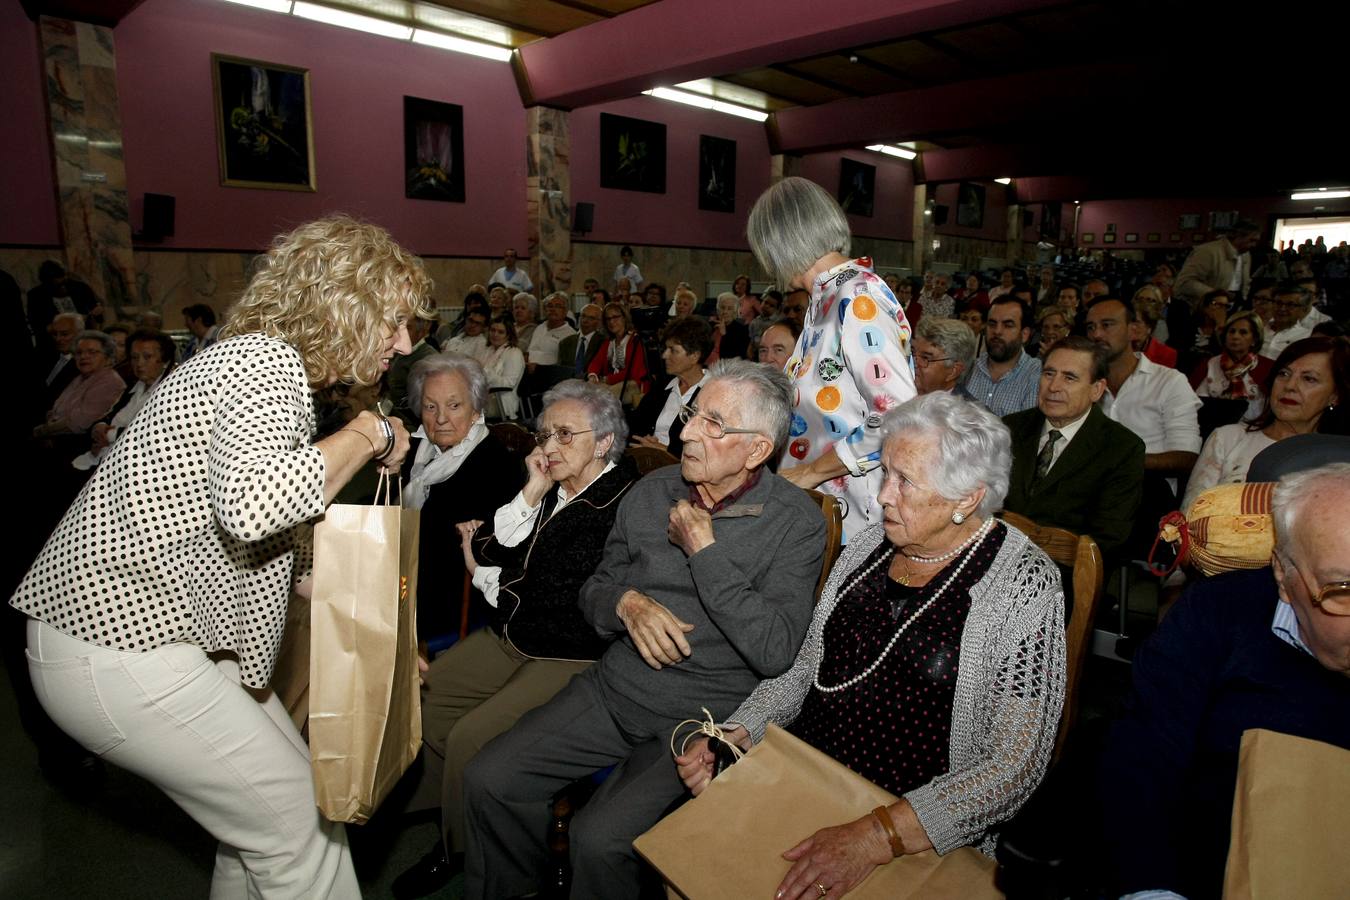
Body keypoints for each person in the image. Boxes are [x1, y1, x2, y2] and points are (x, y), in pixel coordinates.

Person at [11, 215, 428, 898]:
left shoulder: (247, 359)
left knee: (269, 829)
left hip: (134, 641)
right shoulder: (265, 363)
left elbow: (253, 537)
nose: (404, 343)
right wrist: (369, 429)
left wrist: (366, 625)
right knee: (301, 828)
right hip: (121, 644)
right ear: (344, 306)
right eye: (394, 323)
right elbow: (257, 503)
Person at [677, 392, 1066, 898]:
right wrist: (739, 733)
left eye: (905, 481)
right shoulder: (869, 546)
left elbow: (1012, 766)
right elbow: (804, 670)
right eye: (886, 473)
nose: (883, 495)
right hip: (804, 774)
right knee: (693, 864)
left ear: (967, 498)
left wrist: (876, 835)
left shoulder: (1024, 585)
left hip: (919, 824)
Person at [461, 360, 825, 900]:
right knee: (489, 777)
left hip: (697, 717)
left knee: (600, 839)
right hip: (614, 689)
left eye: (714, 424)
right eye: (695, 413)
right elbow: (595, 590)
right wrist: (626, 604)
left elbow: (774, 651)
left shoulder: (795, 522)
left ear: (756, 450)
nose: (689, 431)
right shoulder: (653, 490)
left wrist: (705, 552)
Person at [393, 382, 638, 900]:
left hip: (570, 652)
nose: (548, 447)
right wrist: (530, 489)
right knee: (427, 702)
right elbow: (487, 544)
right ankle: (454, 822)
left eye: (565, 435)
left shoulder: (618, 503)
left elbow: (546, 586)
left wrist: (487, 574)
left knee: (471, 736)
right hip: (515, 631)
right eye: (544, 434)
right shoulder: (554, 486)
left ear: (604, 442)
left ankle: (466, 853)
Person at [1099, 462, 1350, 900]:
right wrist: (1152, 889)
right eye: (1341, 590)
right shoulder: (1214, 613)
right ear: (1283, 576)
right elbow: (1144, 755)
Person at [746, 176, 917, 539]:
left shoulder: (856, 296)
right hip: (819, 505)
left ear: (779, 243)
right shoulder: (824, 299)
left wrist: (811, 472)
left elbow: (897, 412)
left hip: (855, 516)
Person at [1002, 337, 1145, 560]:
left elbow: (1108, 538)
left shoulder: (1122, 448)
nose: (1053, 387)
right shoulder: (1009, 428)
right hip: (994, 558)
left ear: (1097, 389)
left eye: (1069, 378)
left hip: (1067, 572)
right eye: (1049, 373)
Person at [1181, 336, 1347, 510]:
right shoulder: (1228, 438)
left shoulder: (1338, 462)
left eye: (1309, 379)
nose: (1290, 386)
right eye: (1283, 374)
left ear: (1335, 395)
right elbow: (1189, 518)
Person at [1087, 296, 1201, 487]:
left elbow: (1186, 457)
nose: (1096, 334)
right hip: (1088, 489)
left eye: (1107, 325)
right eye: (1090, 327)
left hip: (1147, 488)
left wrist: (1121, 461)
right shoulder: (1084, 382)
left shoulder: (1169, 381)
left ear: (1133, 330)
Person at [73, 329, 176, 471]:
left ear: (165, 361)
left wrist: (109, 435)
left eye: (147, 357)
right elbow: (108, 416)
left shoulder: (171, 392)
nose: (139, 364)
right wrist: (99, 427)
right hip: (105, 460)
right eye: (134, 357)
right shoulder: (133, 387)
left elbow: (152, 435)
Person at [629, 315, 713, 457]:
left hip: (680, 471)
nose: (665, 355)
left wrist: (664, 452)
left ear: (694, 356)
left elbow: (707, 451)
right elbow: (635, 426)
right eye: (666, 349)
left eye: (673, 350)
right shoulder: (663, 387)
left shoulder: (712, 393)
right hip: (646, 461)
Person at [1190, 310, 1274, 424]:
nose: (1235, 336)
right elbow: (1193, 402)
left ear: (1254, 339)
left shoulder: (1268, 367)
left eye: (1243, 332)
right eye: (1231, 331)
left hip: (1253, 428)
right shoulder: (1208, 364)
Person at [963, 297, 1042, 417]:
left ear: (1024, 335)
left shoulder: (1037, 375)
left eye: (1008, 325)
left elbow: (1028, 432)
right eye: (992, 324)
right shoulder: (969, 368)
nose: (997, 331)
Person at [1174, 221, 1260, 306]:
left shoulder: (1246, 255)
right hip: (1204, 308)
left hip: (1232, 307)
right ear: (1237, 236)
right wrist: (1216, 294)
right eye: (1251, 240)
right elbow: (1185, 282)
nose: (1254, 245)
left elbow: (1245, 284)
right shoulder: (1208, 252)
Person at [586, 301, 650, 403]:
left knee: (600, 397)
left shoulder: (636, 340)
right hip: (609, 384)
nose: (611, 322)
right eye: (608, 319)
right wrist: (592, 376)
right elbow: (596, 362)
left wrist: (607, 379)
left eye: (616, 317)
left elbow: (632, 372)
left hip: (633, 384)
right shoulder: (608, 342)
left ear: (624, 318)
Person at [911, 316, 976, 396]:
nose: (913, 362)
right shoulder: (898, 393)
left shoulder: (968, 408)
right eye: (912, 353)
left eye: (925, 358)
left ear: (953, 371)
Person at [479, 317, 526, 421]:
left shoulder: (514, 353)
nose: (495, 334)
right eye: (492, 330)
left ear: (509, 335)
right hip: (486, 397)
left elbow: (509, 383)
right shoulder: (488, 350)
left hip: (502, 402)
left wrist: (484, 371)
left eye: (500, 332)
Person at [1261, 283, 1316, 361]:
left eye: (1290, 305)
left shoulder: (1306, 337)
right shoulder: (1259, 328)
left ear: (1303, 310)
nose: (1282, 309)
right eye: (1278, 303)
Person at [524, 291, 576, 372]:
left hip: (550, 375)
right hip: (528, 372)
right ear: (545, 310)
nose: (553, 309)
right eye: (550, 306)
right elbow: (529, 352)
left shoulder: (570, 334)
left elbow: (565, 367)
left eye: (558, 306)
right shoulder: (540, 327)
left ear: (565, 311)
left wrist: (539, 368)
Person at [558, 302, 604, 376]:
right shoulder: (565, 342)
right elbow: (560, 370)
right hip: (567, 384)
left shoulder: (603, 342)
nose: (585, 321)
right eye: (583, 316)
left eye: (591, 318)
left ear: (600, 323)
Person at [707, 291, 751, 362]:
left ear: (734, 311)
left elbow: (737, 356)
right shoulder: (710, 326)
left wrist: (724, 334)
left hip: (726, 367)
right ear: (718, 309)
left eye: (729, 309)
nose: (725, 311)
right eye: (722, 307)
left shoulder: (742, 330)